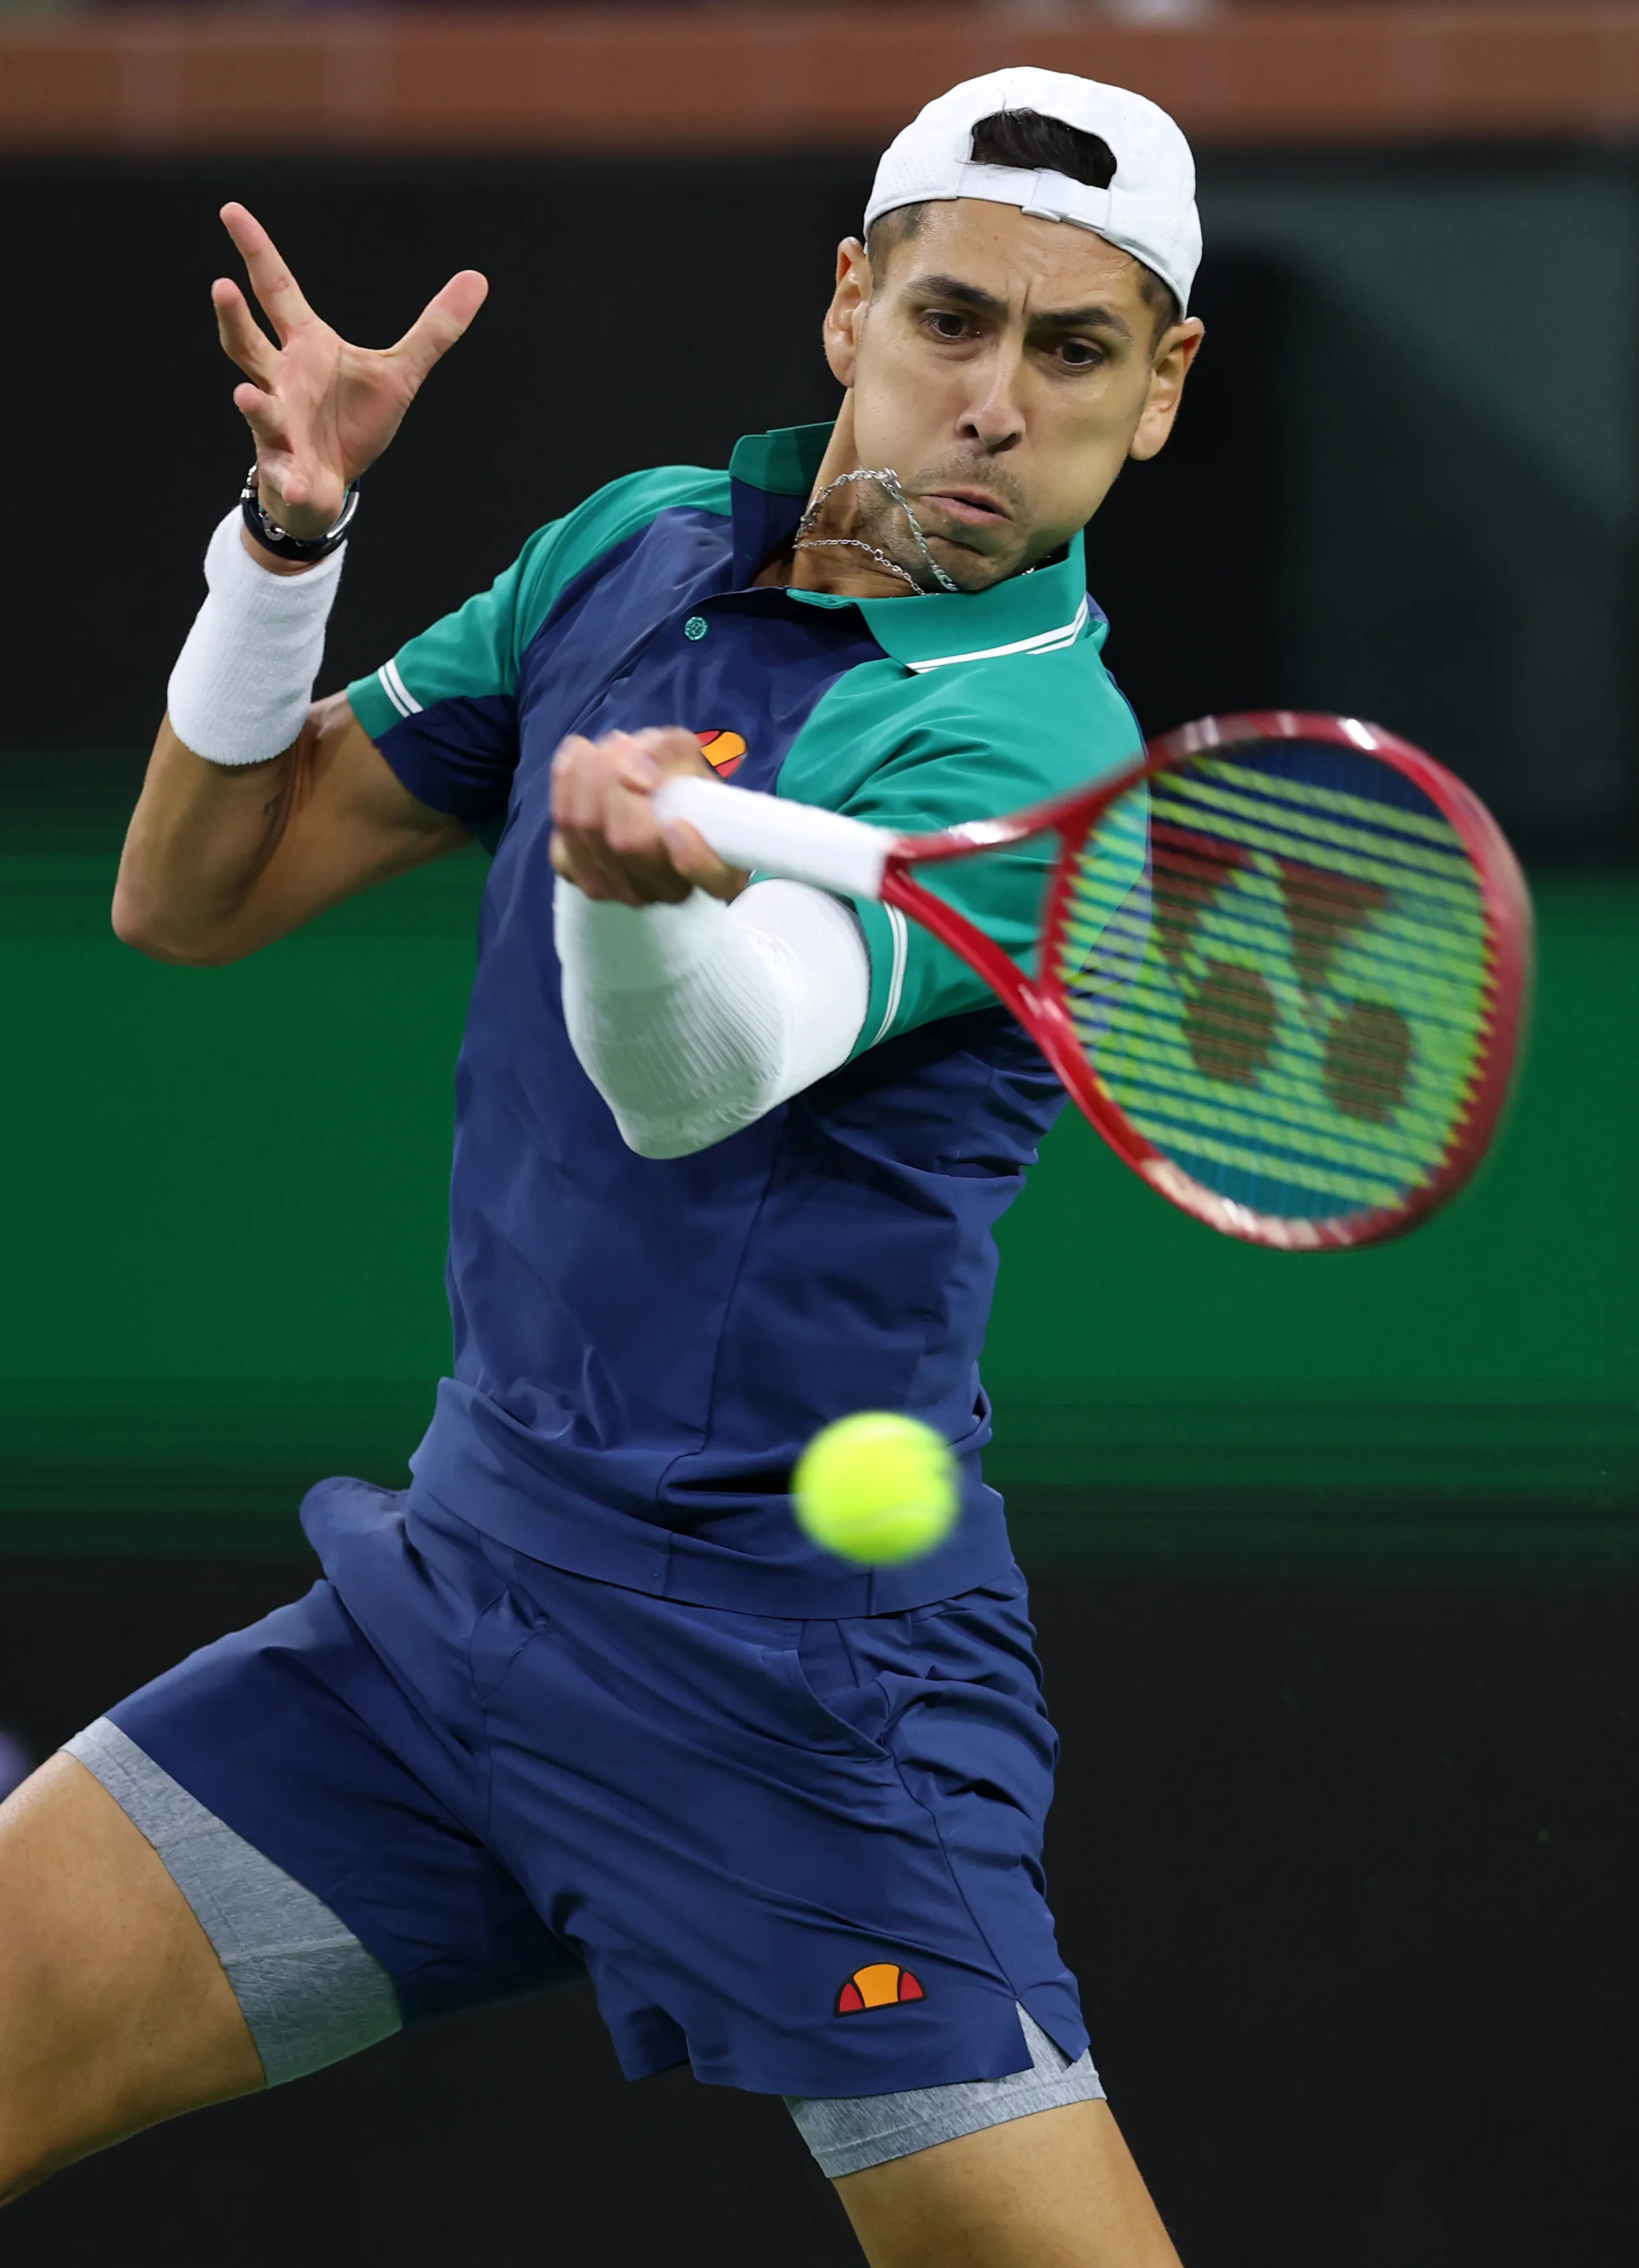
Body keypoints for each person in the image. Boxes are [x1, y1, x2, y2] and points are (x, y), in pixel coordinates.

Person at [0, 67, 1203, 2267]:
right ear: (846, 305)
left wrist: (629, 904)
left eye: (1071, 354)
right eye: (950, 320)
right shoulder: (634, 547)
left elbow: (704, 1075)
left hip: (795, 1695)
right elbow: (190, 893)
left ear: (1158, 394)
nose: (991, 403)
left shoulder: (1042, 757)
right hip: (451, 1606)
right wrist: (285, 550)